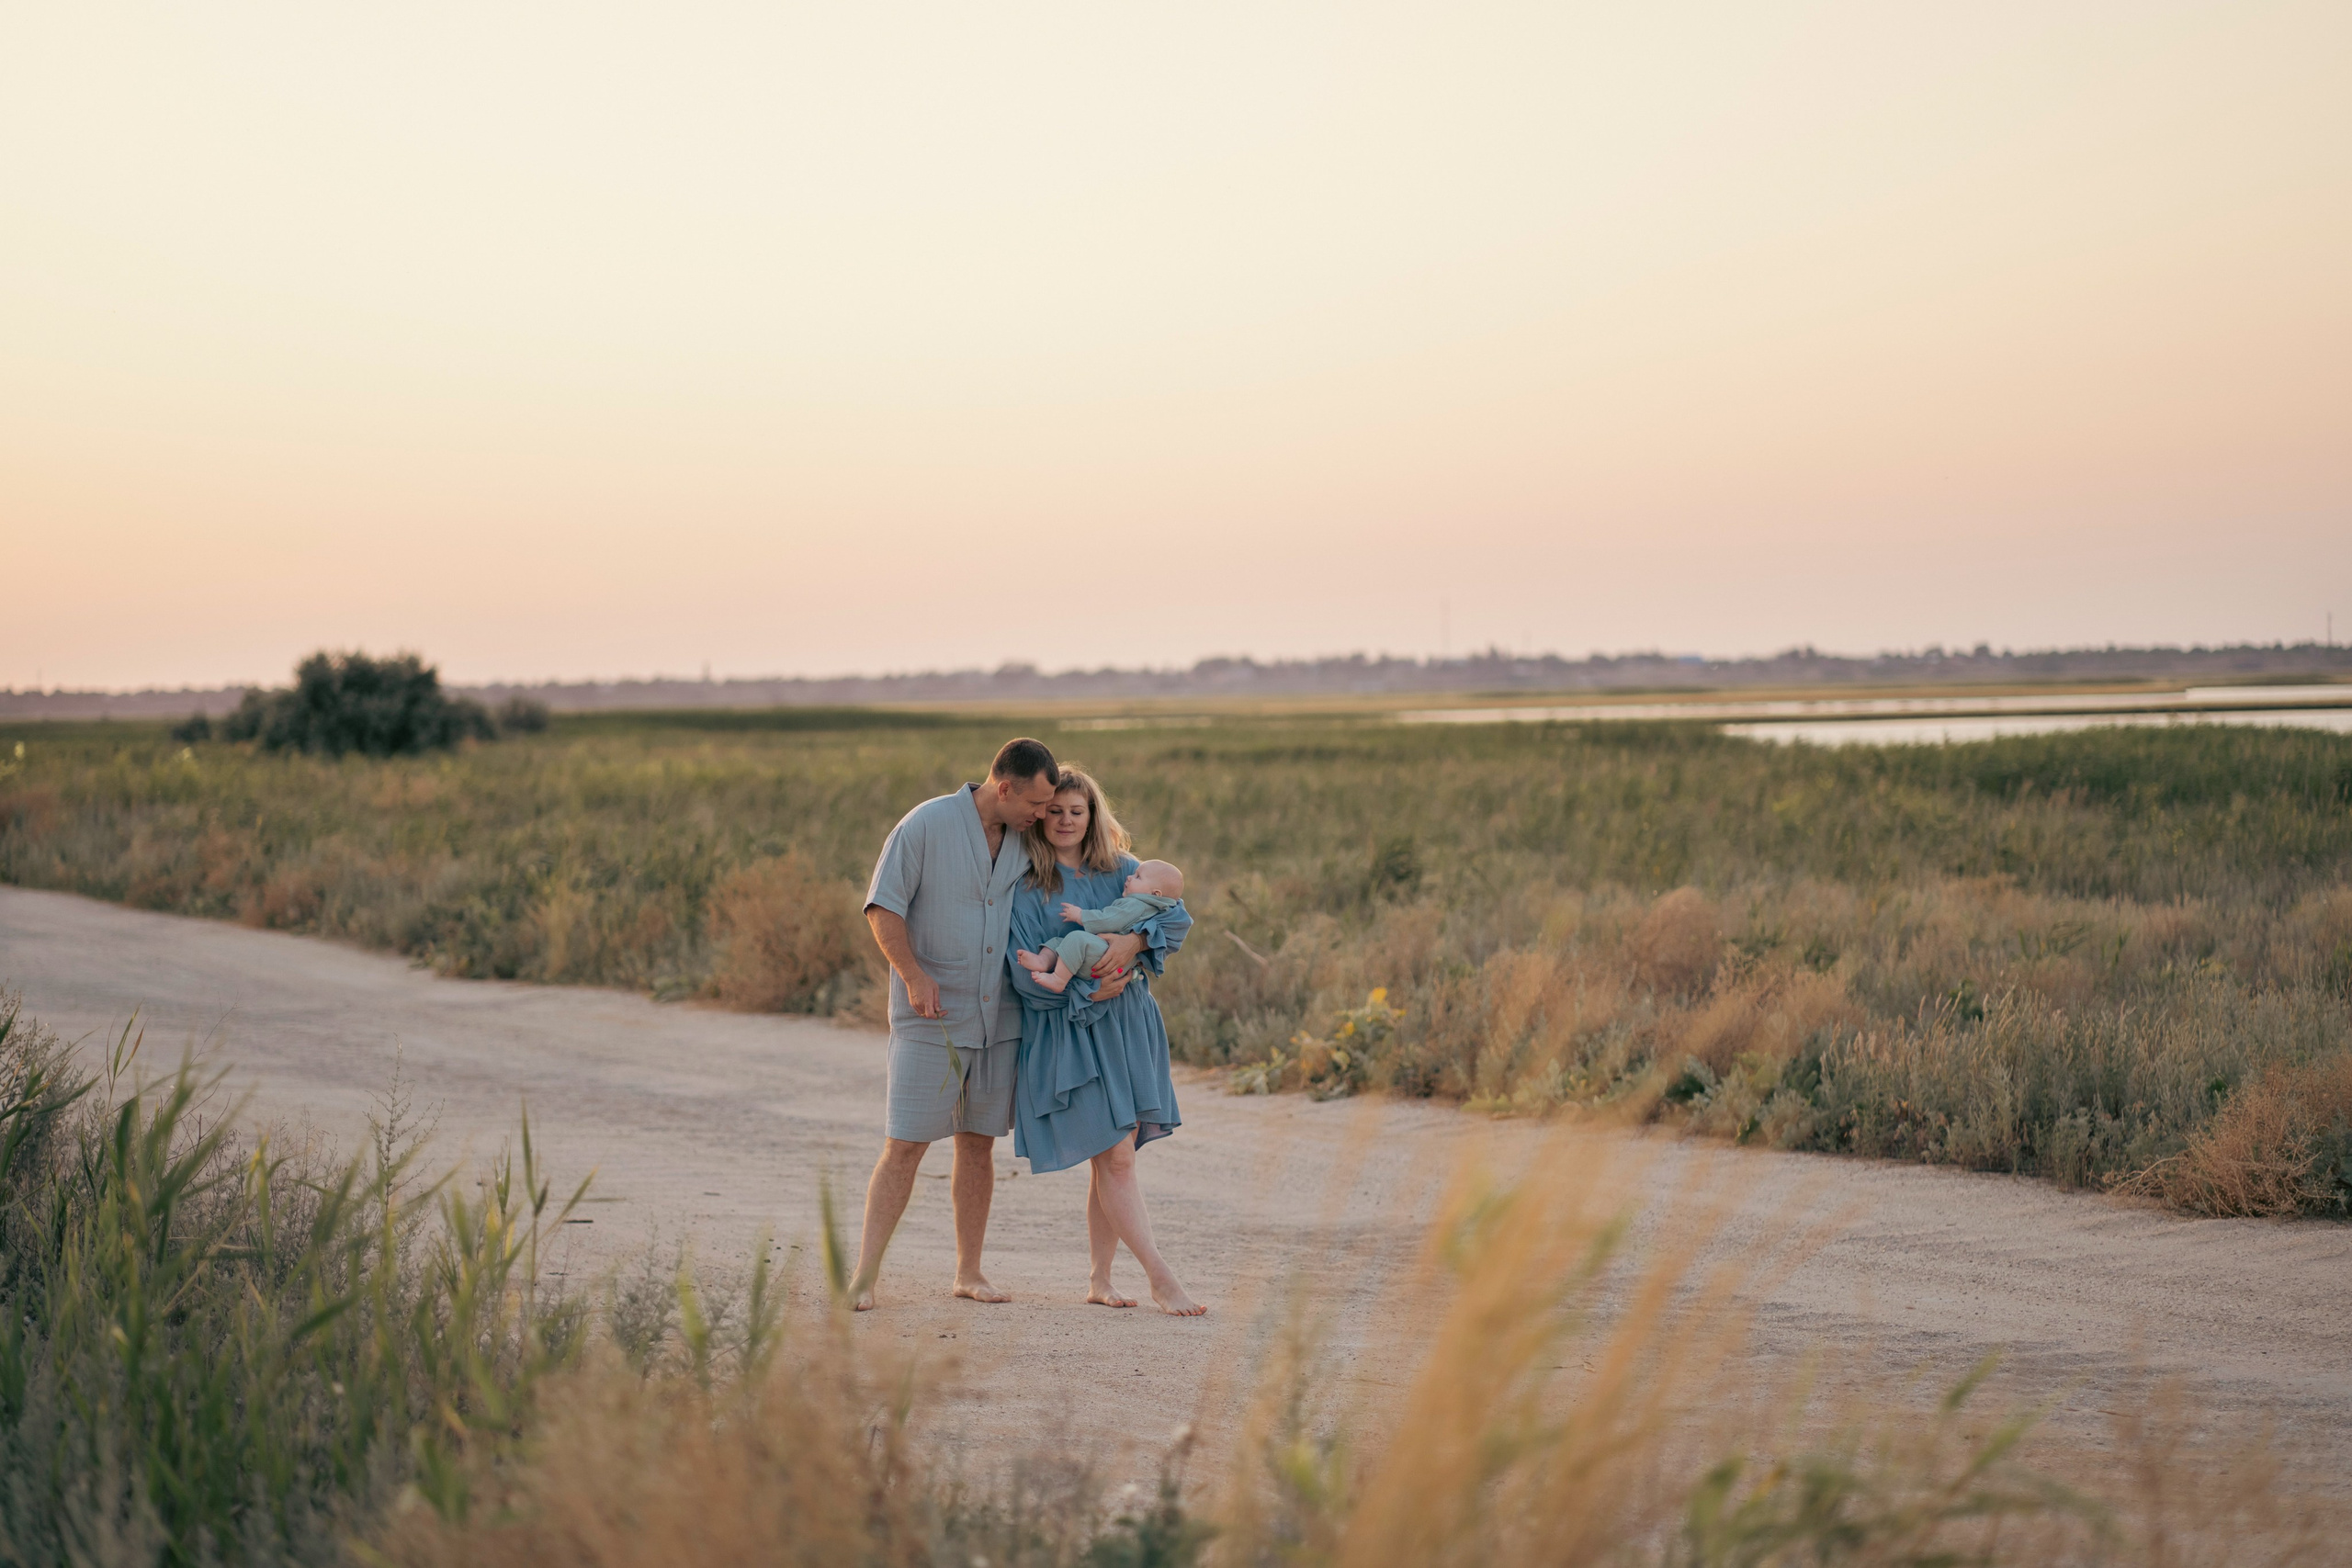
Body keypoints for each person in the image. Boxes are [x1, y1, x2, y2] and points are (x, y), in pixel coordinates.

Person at [849, 736, 1066, 1312]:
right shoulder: (924, 826)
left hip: (1005, 1017)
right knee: (905, 1146)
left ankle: (969, 1272)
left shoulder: (1029, 839)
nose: (1042, 815)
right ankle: (864, 1276)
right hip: (932, 1016)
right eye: (1036, 804)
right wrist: (914, 976)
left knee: (978, 1147)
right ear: (1004, 788)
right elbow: (883, 907)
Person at [1008, 767, 1205, 1316]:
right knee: (1116, 1156)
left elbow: (1177, 917)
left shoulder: (1123, 869)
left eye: (1078, 810)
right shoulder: (1026, 885)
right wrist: (1085, 998)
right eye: (1055, 810)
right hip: (1072, 1028)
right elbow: (1021, 972)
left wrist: (1135, 940)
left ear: (1093, 815)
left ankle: (1100, 1278)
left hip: (1128, 1024)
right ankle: (1161, 1279)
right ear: (1040, 814)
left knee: (1113, 1160)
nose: (1066, 820)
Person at [1013, 859, 1185, 994]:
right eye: (1133, 874)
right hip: (1103, 951)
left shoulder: (1136, 905)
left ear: (1155, 894)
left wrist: (1081, 915)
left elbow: (1109, 920)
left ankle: (1058, 978)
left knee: (1076, 939)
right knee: (1061, 942)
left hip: (1106, 955)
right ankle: (1044, 961)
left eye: (1137, 877)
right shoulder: (1146, 905)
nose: (1129, 877)